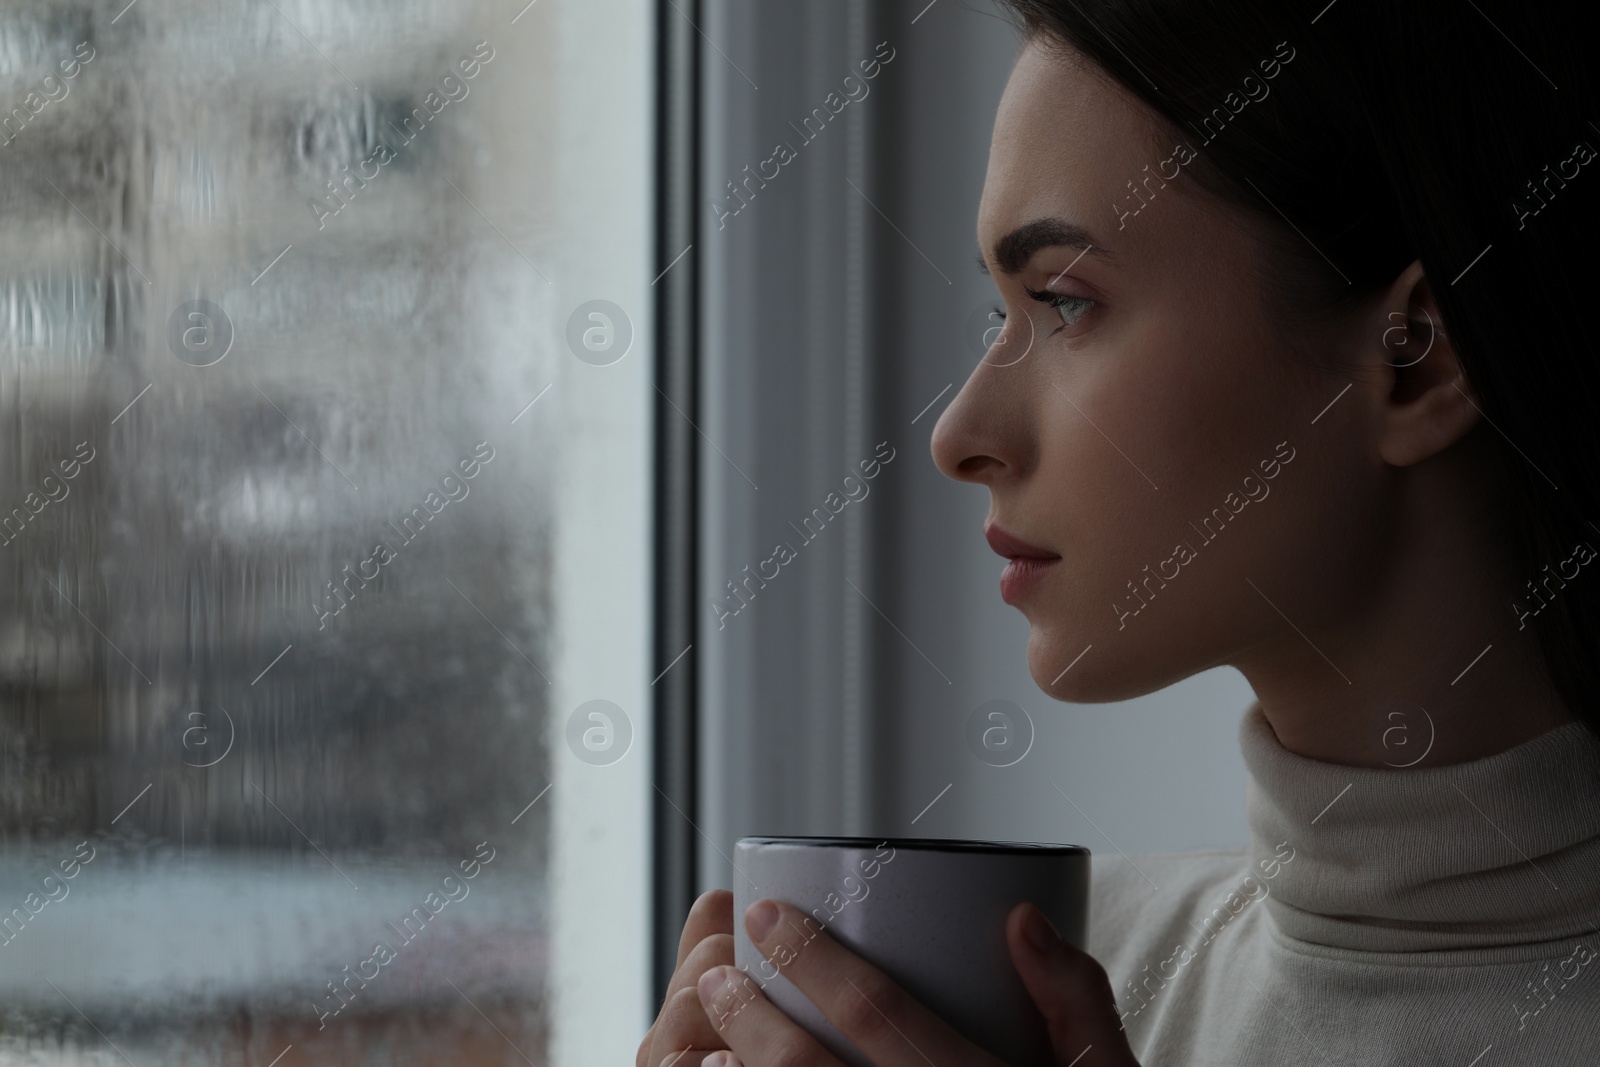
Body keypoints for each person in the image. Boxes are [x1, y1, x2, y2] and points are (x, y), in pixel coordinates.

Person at [638, 0, 1600, 1062]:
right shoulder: (1039, 978)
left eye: (1063, 302)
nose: (957, 436)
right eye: (1001, 312)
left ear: (1415, 357)